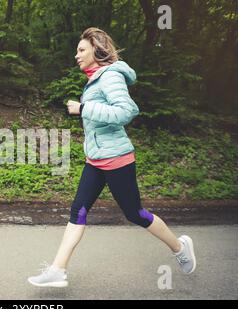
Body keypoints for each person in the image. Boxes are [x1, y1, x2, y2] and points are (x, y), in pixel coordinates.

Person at [28, 27, 196, 288]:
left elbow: (127, 111)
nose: (77, 55)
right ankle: (58, 270)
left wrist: (84, 107)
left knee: (136, 214)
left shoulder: (110, 76)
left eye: (81, 50)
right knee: (78, 211)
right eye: (76, 51)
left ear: (97, 49)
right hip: (95, 160)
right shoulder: (94, 78)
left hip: (117, 159)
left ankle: (179, 247)